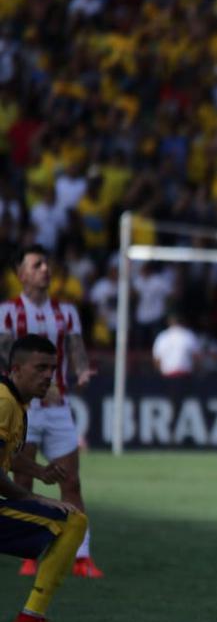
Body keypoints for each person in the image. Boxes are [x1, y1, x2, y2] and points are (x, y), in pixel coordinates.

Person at [0, 245, 101, 578]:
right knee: (23, 477)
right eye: (37, 264)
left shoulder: (66, 312)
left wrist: (83, 371)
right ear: (21, 274)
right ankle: (31, 551)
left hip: (58, 409)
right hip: (23, 406)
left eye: (47, 263)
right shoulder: (7, 312)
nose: (45, 269)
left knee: (71, 481)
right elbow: (4, 359)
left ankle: (82, 554)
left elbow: (76, 351)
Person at [1, 334, 89, 622]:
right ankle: (31, 619)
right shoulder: (4, 403)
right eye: (40, 368)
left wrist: (38, 470)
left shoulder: (16, 403)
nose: (48, 376)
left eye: (52, 368)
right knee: (73, 521)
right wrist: (34, 497)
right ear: (16, 369)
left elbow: (7, 458)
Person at [152, 311, 202, 377]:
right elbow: (197, 358)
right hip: (185, 376)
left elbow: (156, 361)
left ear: (169, 322)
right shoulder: (189, 335)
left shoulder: (162, 336)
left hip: (170, 376)